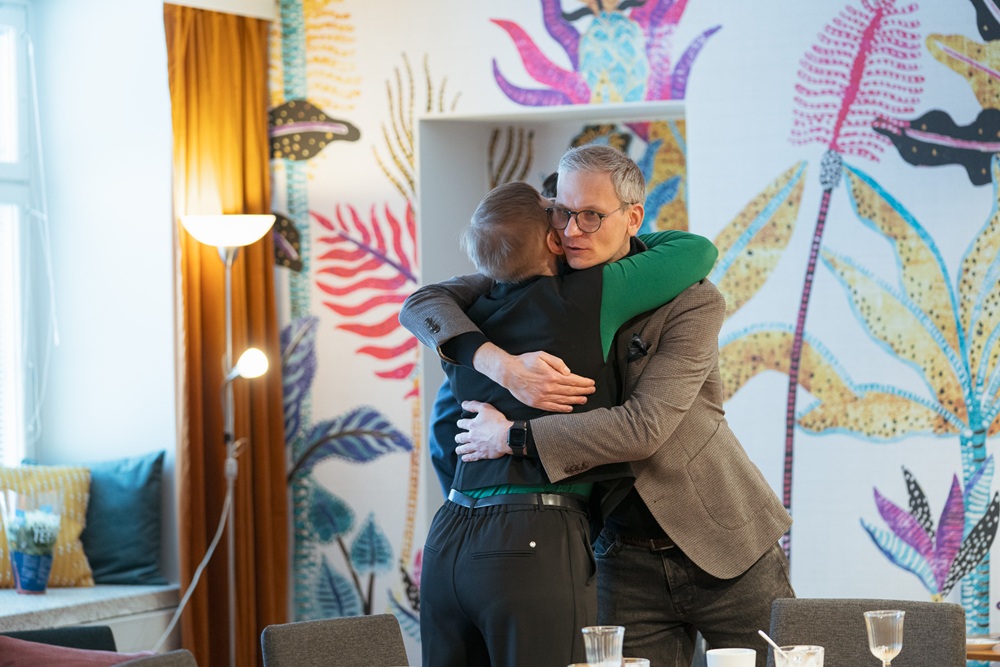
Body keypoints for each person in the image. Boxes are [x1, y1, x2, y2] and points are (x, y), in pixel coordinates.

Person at [400, 145, 794, 667]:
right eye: (563, 212)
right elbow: (424, 302)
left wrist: (514, 436)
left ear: (632, 218)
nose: (572, 231)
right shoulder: (541, 272)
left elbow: (645, 426)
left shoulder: (692, 299)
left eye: (591, 215)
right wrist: (503, 367)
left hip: (719, 540)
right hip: (612, 555)